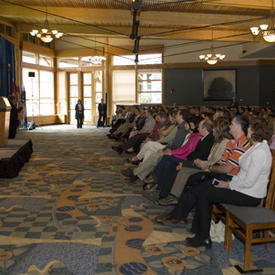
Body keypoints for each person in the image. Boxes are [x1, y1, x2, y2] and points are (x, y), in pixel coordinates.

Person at [186, 117, 273, 248]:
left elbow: (249, 182)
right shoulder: (256, 147)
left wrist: (228, 185)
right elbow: (243, 175)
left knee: (204, 194)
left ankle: (203, 237)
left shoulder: (260, 152)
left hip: (249, 196)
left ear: (254, 131)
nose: (247, 129)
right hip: (243, 190)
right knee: (204, 191)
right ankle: (201, 234)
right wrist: (229, 184)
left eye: (249, 128)